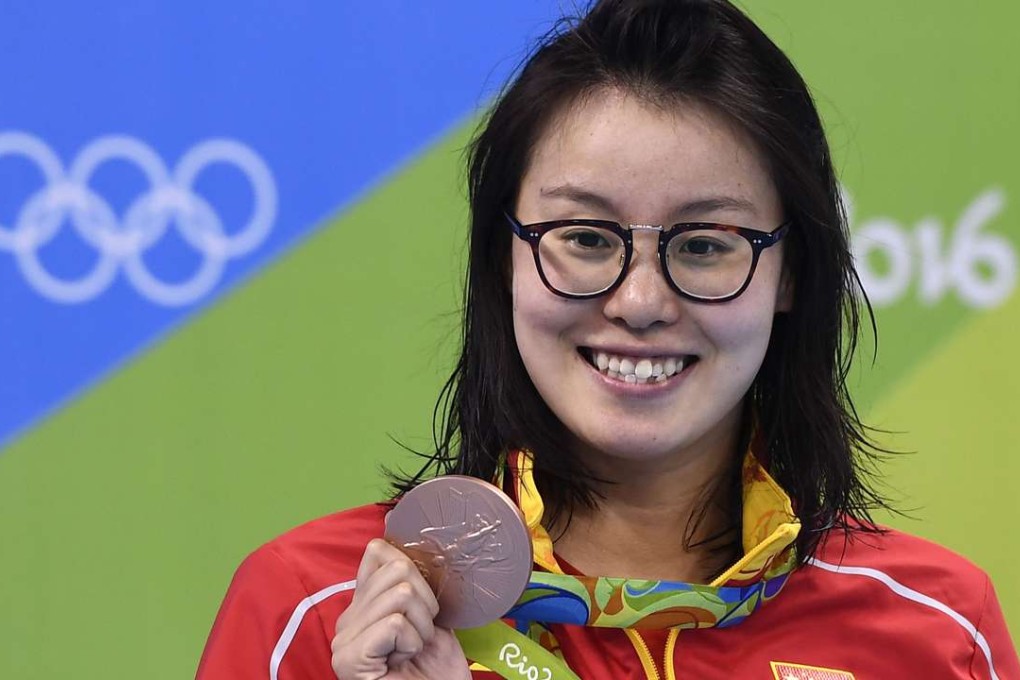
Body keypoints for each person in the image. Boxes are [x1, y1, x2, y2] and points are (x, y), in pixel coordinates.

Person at [197, 1, 1020, 678]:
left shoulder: (936, 630)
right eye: (586, 237)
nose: (639, 301)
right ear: (503, 258)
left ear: (791, 274)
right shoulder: (317, 613)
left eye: (704, 245)